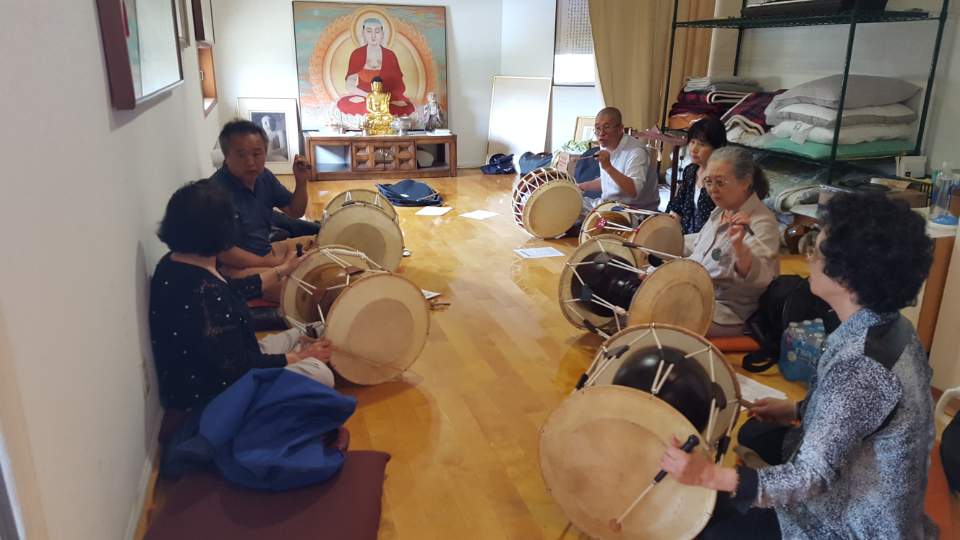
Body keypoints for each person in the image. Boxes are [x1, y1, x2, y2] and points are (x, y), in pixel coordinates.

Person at [661, 193, 936, 539]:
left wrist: (707, 475)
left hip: (856, 522)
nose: (808, 259)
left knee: (705, 526)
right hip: (858, 474)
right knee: (752, 434)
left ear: (848, 276)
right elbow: (860, 413)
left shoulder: (863, 367)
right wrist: (794, 408)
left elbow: (812, 477)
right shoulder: (890, 325)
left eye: (816, 253)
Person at [150, 179, 335, 412]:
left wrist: (283, 270)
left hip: (236, 355)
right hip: (218, 395)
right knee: (321, 375)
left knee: (312, 327)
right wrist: (300, 357)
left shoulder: (175, 261)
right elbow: (238, 367)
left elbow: (234, 288)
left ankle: (308, 349)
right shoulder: (206, 291)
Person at [212, 119, 314, 301]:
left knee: (324, 243)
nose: (250, 162)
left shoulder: (264, 176)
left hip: (267, 253)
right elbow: (226, 254)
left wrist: (301, 182)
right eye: (241, 155)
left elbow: (294, 211)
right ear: (226, 156)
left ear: (265, 152)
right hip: (237, 270)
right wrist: (275, 264)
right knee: (308, 288)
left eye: (257, 154)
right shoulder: (215, 192)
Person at [686, 146, 778, 337]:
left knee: (660, 314)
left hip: (727, 312)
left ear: (745, 182)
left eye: (720, 182)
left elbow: (762, 277)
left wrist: (740, 248)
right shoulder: (722, 210)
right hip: (696, 294)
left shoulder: (762, 222)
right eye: (708, 182)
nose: (712, 189)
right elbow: (697, 247)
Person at [576, 107, 660, 211]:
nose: (601, 133)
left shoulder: (636, 152)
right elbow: (608, 181)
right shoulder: (605, 144)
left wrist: (608, 167)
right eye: (597, 128)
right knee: (571, 202)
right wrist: (581, 187)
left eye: (606, 127)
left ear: (620, 128)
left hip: (632, 210)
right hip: (608, 204)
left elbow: (634, 191)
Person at [337, 17, 414, 116]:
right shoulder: (357, 54)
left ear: (382, 34)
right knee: (346, 104)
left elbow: (399, 86)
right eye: (369, 31)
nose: (373, 36)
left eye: (377, 31)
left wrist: (384, 97)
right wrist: (369, 96)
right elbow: (349, 85)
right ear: (363, 33)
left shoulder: (390, 55)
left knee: (405, 106)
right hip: (364, 96)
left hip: (387, 97)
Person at [666, 116, 727, 234]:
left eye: (701, 144)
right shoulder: (691, 171)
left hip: (708, 239)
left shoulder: (722, 180)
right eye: (692, 142)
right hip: (685, 236)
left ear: (717, 148)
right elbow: (677, 206)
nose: (694, 149)